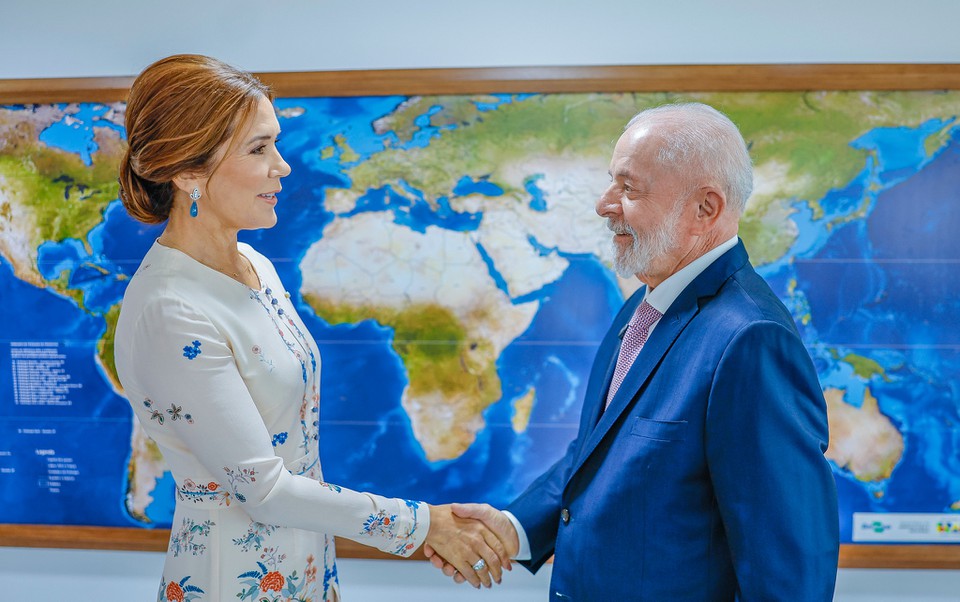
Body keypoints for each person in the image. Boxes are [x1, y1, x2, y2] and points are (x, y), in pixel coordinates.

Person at [114, 54, 510, 602]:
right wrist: (423, 526)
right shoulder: (170, 309)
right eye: (258, 148)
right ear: (187, 171)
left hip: (307, 566)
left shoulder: (257, 265)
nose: (283, 165)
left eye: (275, 142)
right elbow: (265, 489)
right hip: (233, 579)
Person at [426, 102, 840, 600]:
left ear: (705, 208)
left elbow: (788, 568)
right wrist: (513, 528)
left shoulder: (749, 339)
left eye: (629, 188)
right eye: (611, 182)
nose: (604, 204)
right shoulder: (642, 309)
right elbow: (601, 456)